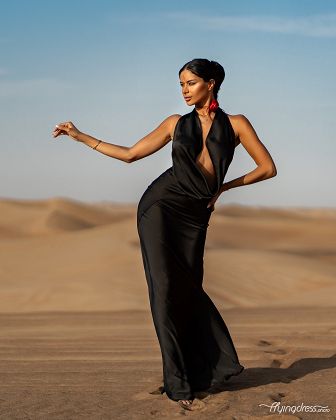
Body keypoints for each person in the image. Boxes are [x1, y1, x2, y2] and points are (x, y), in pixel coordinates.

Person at [52, 58, 277, 411]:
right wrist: (80, 136)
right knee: (164, 290)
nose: (184, 90)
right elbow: (130, 155)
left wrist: (223, 189)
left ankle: (204, 369)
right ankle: (178, 382)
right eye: (181, 85)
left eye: (190, 83)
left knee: (189, 290)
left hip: (196, 217)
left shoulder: (236, 124)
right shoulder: (175, 123)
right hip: (160, 208)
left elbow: (267, 168)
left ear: (211, 83)